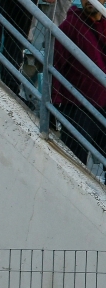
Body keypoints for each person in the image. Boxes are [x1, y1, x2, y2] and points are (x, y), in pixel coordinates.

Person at [52, 0, 106, 166]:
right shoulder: (70, 25)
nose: (90, 0)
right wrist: (53, 105)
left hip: (103, 106)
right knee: (74, 163)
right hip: (78, 108)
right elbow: (55, 64)